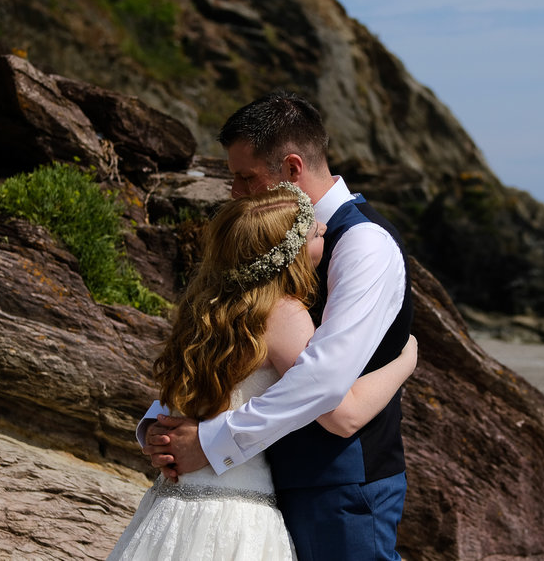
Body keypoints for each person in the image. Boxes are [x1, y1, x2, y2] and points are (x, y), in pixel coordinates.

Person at [138, 91, 415, 560]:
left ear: (291, 168)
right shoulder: (265, 245)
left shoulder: (363, 244)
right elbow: (225, 342)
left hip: (339, 485)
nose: (235, 193)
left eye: (246, 178)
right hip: (263, 481)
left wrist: (210, 443)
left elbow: (324, 384)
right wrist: (160, 426)